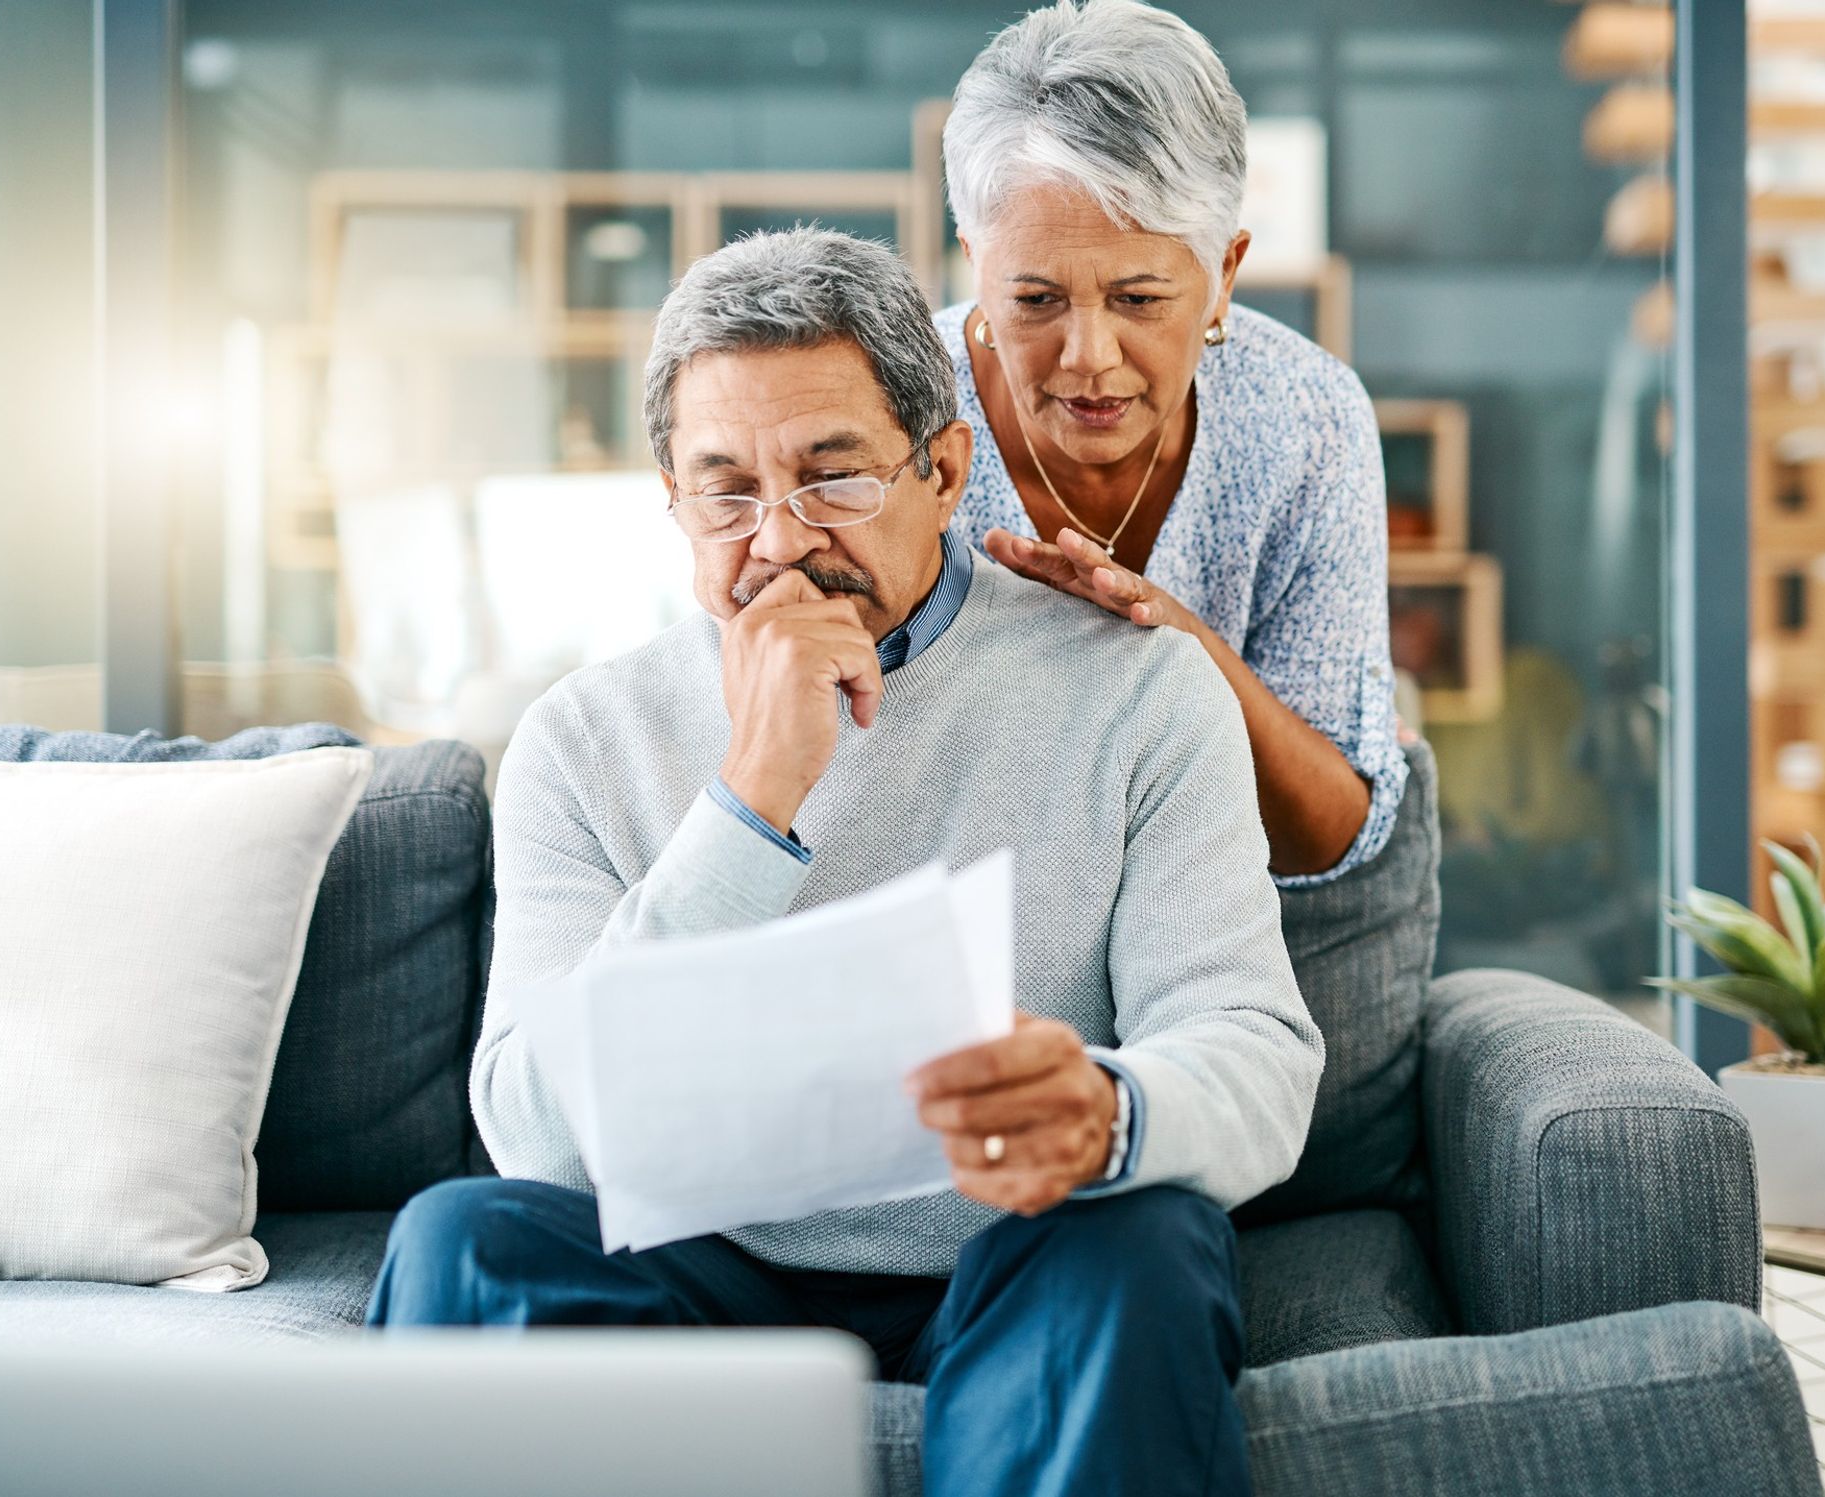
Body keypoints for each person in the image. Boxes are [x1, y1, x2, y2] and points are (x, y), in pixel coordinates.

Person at [366, 227, 1325, 1497]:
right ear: (671, 502)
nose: (776, 541)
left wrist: (1107, 1112)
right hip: (699, 1266)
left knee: (1147, 1238)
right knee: (462, 1241)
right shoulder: (581, 737)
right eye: (724, 490)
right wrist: (754, 792)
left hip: (1019, 1259)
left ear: (942, 468)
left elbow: (1254, 1052)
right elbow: (537, 1137)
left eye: (832, 478)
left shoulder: (1139, 691)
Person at [938, 0, 1405, 883]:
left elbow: (1332, 836)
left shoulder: (1305, 418)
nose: (1088, 359)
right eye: (1035, 299)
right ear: (976, 263)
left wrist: (1175, 647)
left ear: (1223, 274)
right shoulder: (894, 404)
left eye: (1139, 300)